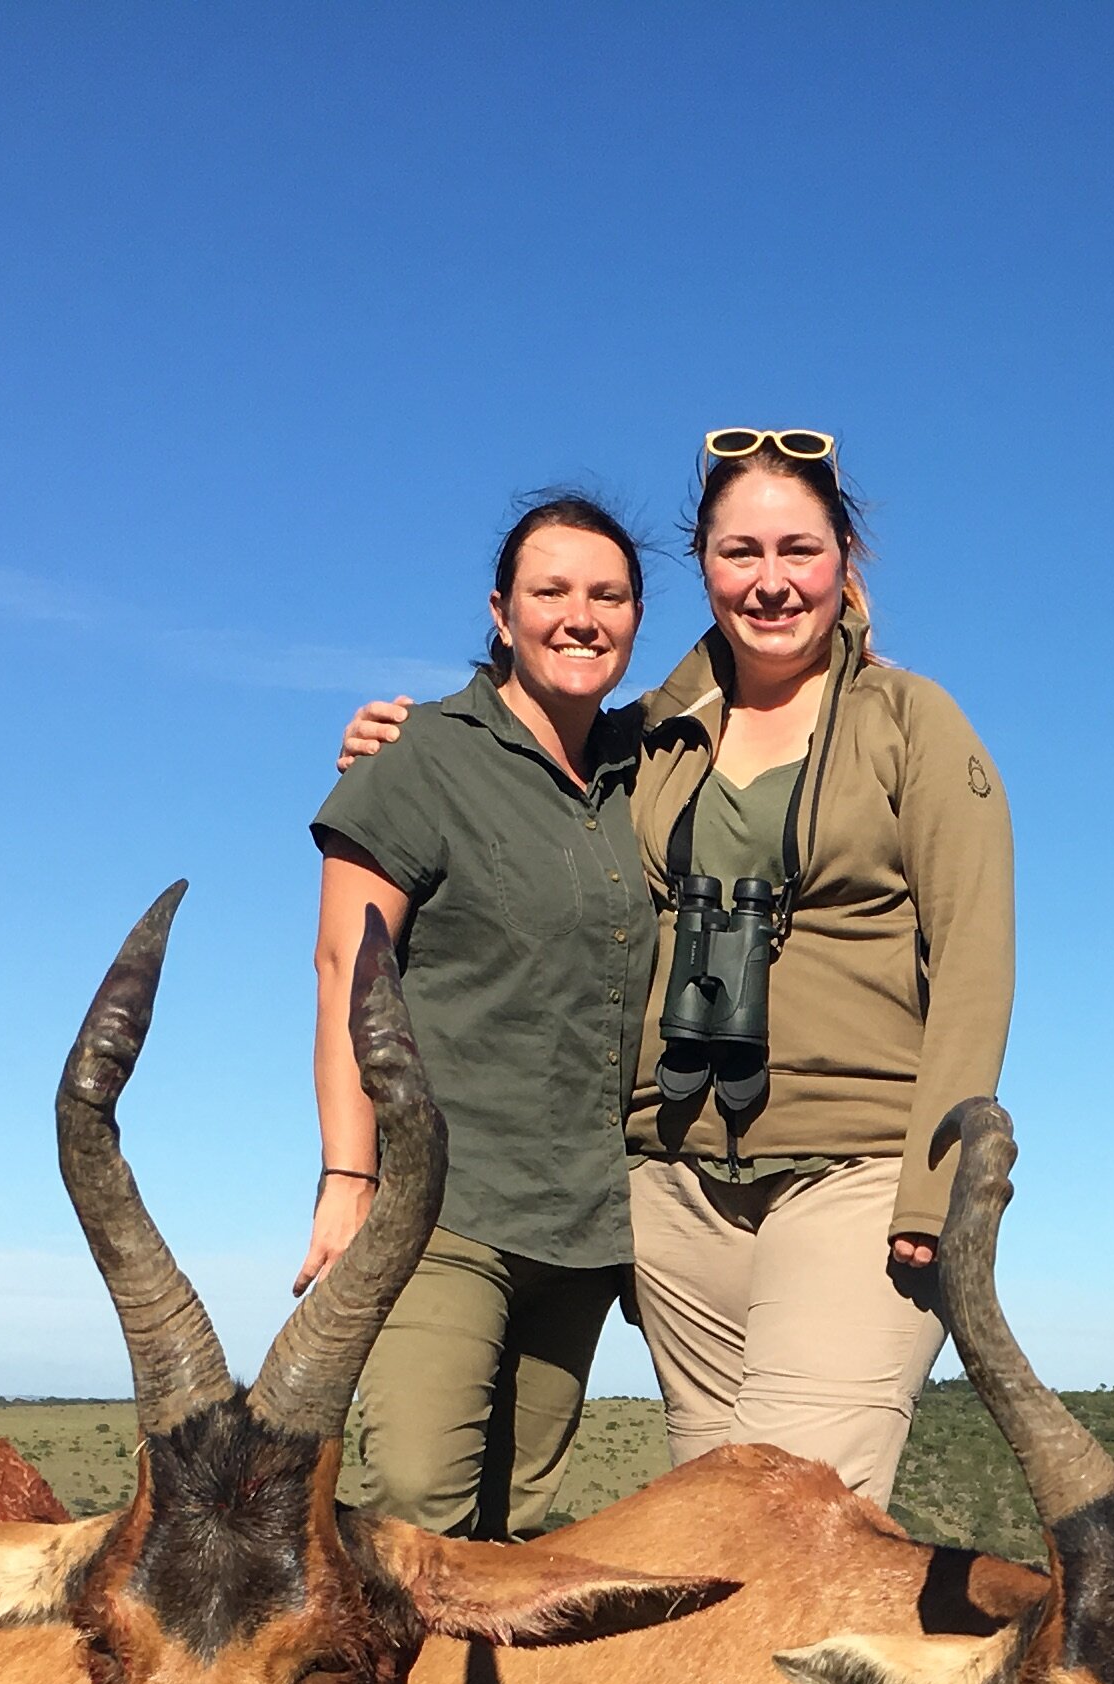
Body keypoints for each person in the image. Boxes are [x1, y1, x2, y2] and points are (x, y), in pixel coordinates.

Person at [343, 430, 1011, 1508]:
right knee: (708, 1524)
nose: (772, 581)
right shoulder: (648, 734)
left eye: (799, 549)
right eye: (740, 552)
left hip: (856, 1173)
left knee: (788, 1517)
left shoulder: (913, 725)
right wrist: (416, 738)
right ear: (701, 566)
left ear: (846, 556)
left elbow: (974, 958)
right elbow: (518, 754)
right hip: (673, 1190)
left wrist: (938, 1188)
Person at [302, 493, 653, 1537]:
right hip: (444, 1207)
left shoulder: (648, 765)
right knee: (414, 1507)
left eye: (609, 595)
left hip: (589, 1227)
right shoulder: (420, 760)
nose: (579, 616)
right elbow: (342, 971)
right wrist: (347, 1177)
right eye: (550, 591)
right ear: (501, 612)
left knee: (516, 1523)